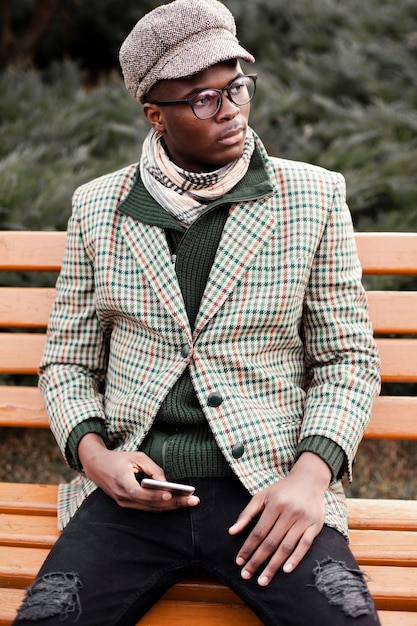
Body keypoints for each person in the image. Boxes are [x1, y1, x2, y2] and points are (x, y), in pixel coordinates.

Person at [13, 1, 381, 624]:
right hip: (134, 499)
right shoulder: (99, 207)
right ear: (156, 114)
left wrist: (311, 476)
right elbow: (67, 363)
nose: (232, 108)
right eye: (204, 99)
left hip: (268, 490)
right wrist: (97, 456)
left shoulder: (314, 197)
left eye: (237, 86)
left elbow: (348, 358)